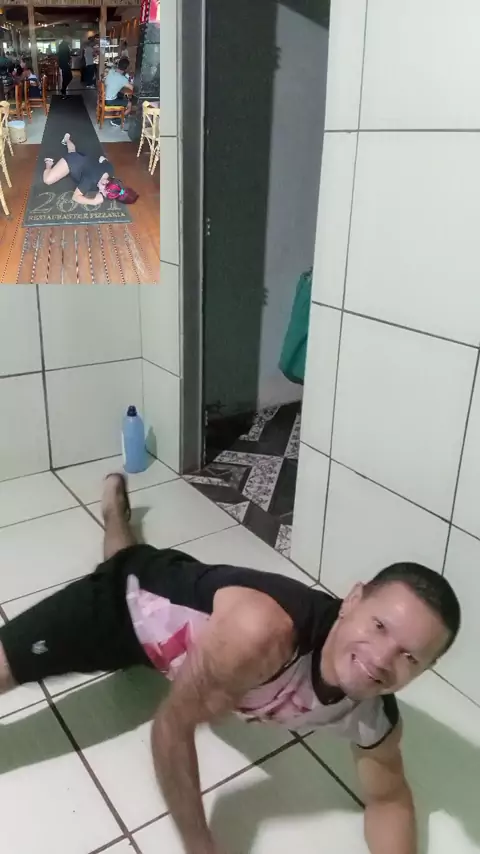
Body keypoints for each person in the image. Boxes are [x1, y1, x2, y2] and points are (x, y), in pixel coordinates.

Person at [0, 472, 461, 854]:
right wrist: (200, 846)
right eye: (379, 626)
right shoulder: (264, 634)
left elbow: (389, 798)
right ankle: (114, 518)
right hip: (127, 605)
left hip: (189, 631)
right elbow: (171, 727)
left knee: (127, 553)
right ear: (352, 599)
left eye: (409, 656)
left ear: (426, 669)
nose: (381, 660)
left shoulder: (374, 718)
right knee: (123, 566)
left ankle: (114, 516)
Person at [42, 133, 138, 206]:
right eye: (102, 191)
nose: (100, 192)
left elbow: (102, 158)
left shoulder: (110, 169)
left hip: (83, 158)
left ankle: (67, 139)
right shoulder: (90, 180)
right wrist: (93, 202)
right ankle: (49, 164)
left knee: (72, 152)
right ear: (105, 181)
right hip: (71, 162)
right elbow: (75, 197)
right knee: (47, 180)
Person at [104, 55, 133, 128]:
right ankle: (117, 120)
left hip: (104, 97)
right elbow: (132, 88)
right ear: (126, 68)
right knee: (130, 104)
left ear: (118, 64)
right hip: (110, 101)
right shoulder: (123, 79)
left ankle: (118, 113)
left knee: (121, 95)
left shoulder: (111, 71)